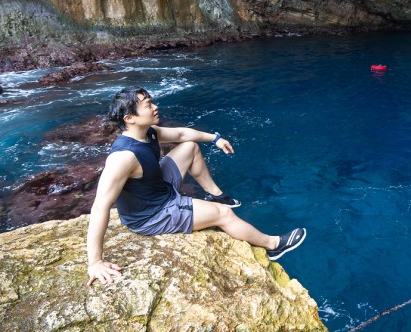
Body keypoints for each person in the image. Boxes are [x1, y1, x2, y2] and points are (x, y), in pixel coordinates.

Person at [86, 86, 306, 285]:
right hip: (153, 214)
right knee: (224, 214)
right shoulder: (123, 157)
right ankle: (274, 245)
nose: (155, 107)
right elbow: (100, 207)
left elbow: (182, 133)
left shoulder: (148, 133)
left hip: (158, 187)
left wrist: (215, 138)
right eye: (148, 105)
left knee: (189, 146)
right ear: (130, 118)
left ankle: (216, 194)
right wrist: (95, 262)